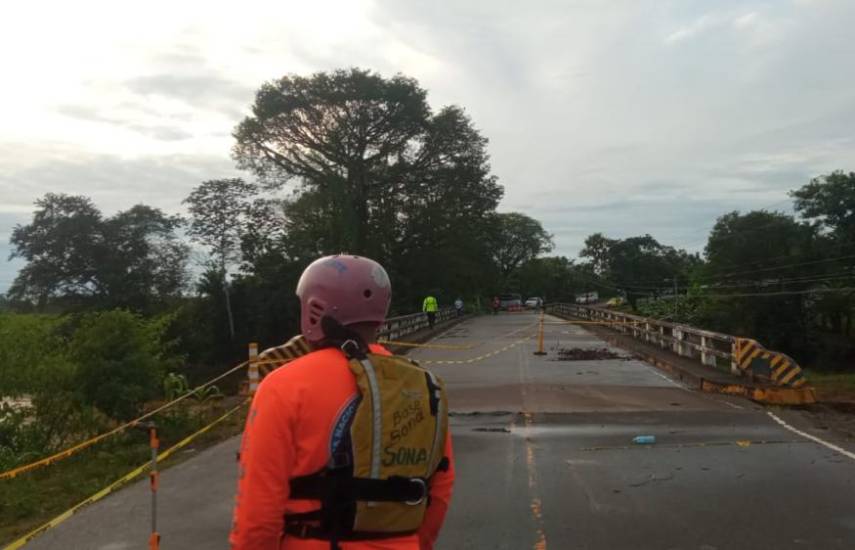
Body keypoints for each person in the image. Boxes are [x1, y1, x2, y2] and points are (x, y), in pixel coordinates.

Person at [231, 255, 455, 550]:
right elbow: (439, 491)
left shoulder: (283, 386)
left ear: (313, 309)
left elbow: (257, 517)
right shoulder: (423, 385)